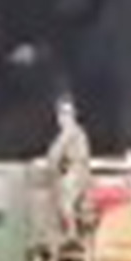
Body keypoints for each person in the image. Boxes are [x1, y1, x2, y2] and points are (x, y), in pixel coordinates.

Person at [45, 95, 92, 240]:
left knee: (65, 203)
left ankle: (72, 233)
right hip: (75, 170)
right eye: (62, 113)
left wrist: (52, 162)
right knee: (61, 198)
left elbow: (56, 151)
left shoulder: (71, 131)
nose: (64, 117)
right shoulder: (71, 131)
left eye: (67, 113)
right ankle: (71, 229)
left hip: (77, 171)